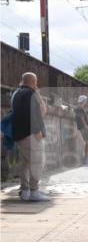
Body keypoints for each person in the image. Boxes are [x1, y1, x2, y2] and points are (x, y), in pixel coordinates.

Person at [10, 72, 49, 201]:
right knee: (37, 162)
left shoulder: (16, 93)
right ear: (34, 82)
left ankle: (25, 191)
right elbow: (39, 112)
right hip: (31, 133)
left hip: (18, 134)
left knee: (25, 163)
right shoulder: (31, 94)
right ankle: (34, 191)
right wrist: (37, 131)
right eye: (36, 82)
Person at [75, 95, 88, 165]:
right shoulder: (79, 108)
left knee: (87, 142)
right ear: (83, 101)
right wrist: (86, 126)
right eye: (85, 100)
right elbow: (81, 118)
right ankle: (86, 159)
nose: (86, 102)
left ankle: (87, 158)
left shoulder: (79, 108)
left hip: (82, 127)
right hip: (83, 127)